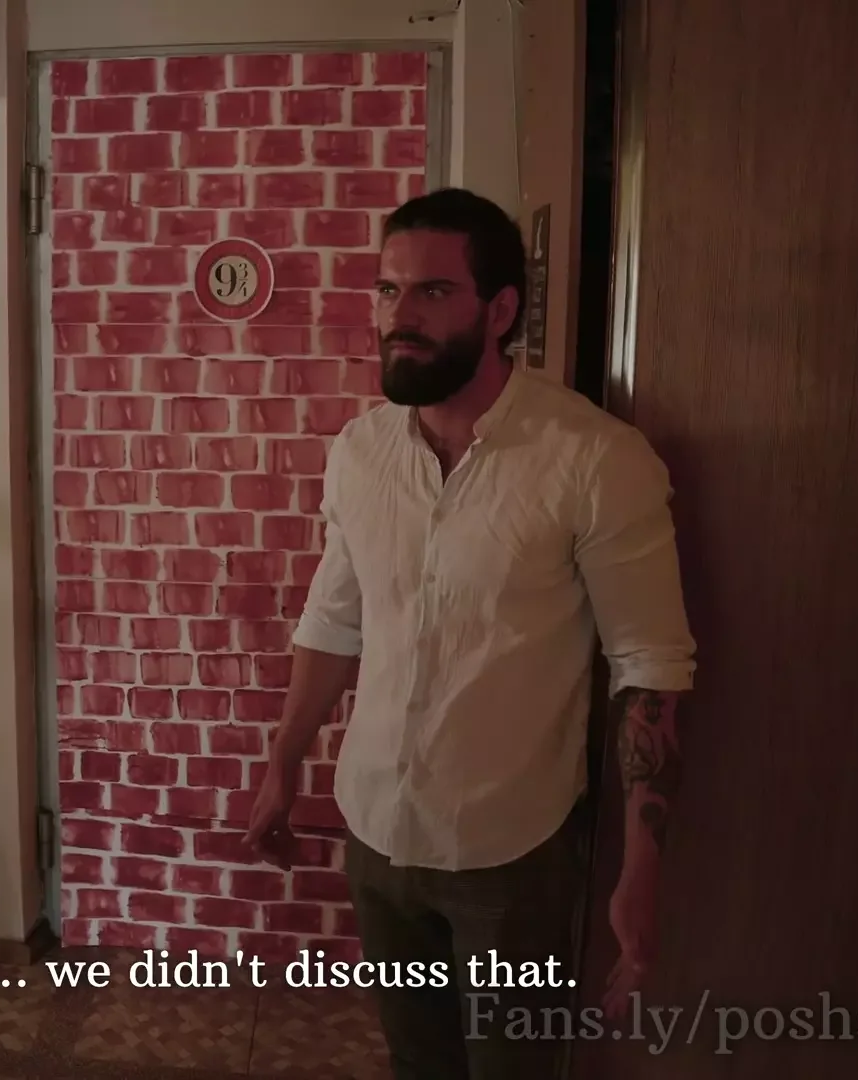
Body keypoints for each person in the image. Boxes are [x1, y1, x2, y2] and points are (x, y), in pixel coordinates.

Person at [241, 187, 695, 1079]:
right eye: (387, 290)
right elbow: (336, 618)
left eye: (433, 292)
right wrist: (284, 762)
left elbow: (649, 663)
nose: (398, 317)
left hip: (510, 853)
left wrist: (642, 867)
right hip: (375, 831)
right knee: (420, 1065)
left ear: (500, 310)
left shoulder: (595, 460)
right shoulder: (360, 452)